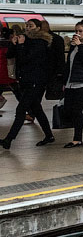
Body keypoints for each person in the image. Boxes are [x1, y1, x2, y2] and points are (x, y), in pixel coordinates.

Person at [1, 19, 56, 148]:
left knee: (21, 109)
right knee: (37, 109)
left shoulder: (40, 42)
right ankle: (49, 135)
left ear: (38, 28)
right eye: (26, 25)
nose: (27, 28)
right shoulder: (24, 40)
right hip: (25, 80)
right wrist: (13, 44)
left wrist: (20, 45)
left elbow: (27, 59)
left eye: (30, 26)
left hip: (36, 81)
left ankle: (9, 139)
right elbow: (10, 55)